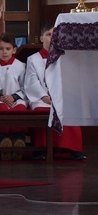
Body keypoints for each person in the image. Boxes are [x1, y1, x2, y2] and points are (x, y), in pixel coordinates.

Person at [24, 22, 86, 160]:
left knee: (68, 109)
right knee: (42, 111)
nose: (51, 37)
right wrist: (44, 96)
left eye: (55, 35)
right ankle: (40, 149)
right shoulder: (33, 59)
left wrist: (60, 96)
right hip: (42, 99)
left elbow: (69, 80)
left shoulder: (64, 58)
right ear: (41, 38)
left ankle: (73, 148)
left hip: (60, 97)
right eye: (48, 34)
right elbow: (32, 82)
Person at [0, 32, 28, 160]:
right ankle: (3, 142)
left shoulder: (21, 66)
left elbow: (25, 86)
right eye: (1, 49)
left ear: (14, 50)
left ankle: (18, 141)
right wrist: (0, 96)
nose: (4, 52)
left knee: (20, 109)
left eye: (8, 49)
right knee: (1, 110)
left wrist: (14, 97)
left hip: (16, 99)